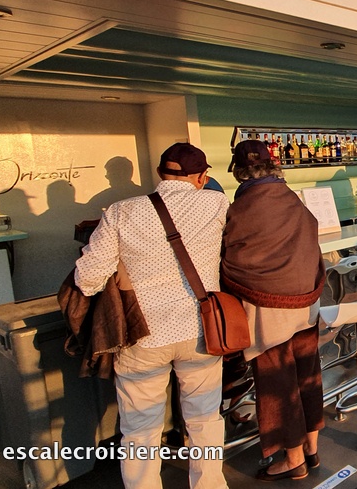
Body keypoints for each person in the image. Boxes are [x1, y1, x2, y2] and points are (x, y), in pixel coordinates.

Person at [74, 142, 229, 489]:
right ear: (202, 177)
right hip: (200, 330)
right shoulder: (216, 203)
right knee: (205, 419)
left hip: (142, 334)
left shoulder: (120, 211)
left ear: (159, 173)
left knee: (140, 429)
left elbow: (87, 280)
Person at [221, 140, 327, 480]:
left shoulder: (242, 207)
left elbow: (232, 258)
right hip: (307, 302)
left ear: (239, 172)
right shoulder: (291, 198)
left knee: (277, 382)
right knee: (308, 375)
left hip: (268, 309)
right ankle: (311, 449)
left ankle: (292, 459)